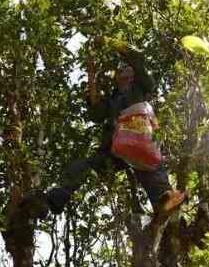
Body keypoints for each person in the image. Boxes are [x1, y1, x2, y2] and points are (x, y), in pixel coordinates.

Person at [45, 37, 187, 216]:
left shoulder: (139, 87)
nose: (122, 70)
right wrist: (91, 75)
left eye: (126, 68)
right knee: (84, 166)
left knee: (150, 165)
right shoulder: (113, 98)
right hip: (117, 147)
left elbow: (136, 57)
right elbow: (96, 113)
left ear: (133, 75)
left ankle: (164, 201)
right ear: (117, 79)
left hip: (139, 137)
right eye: (120, 70)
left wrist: (109, 41)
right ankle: (56, 199)